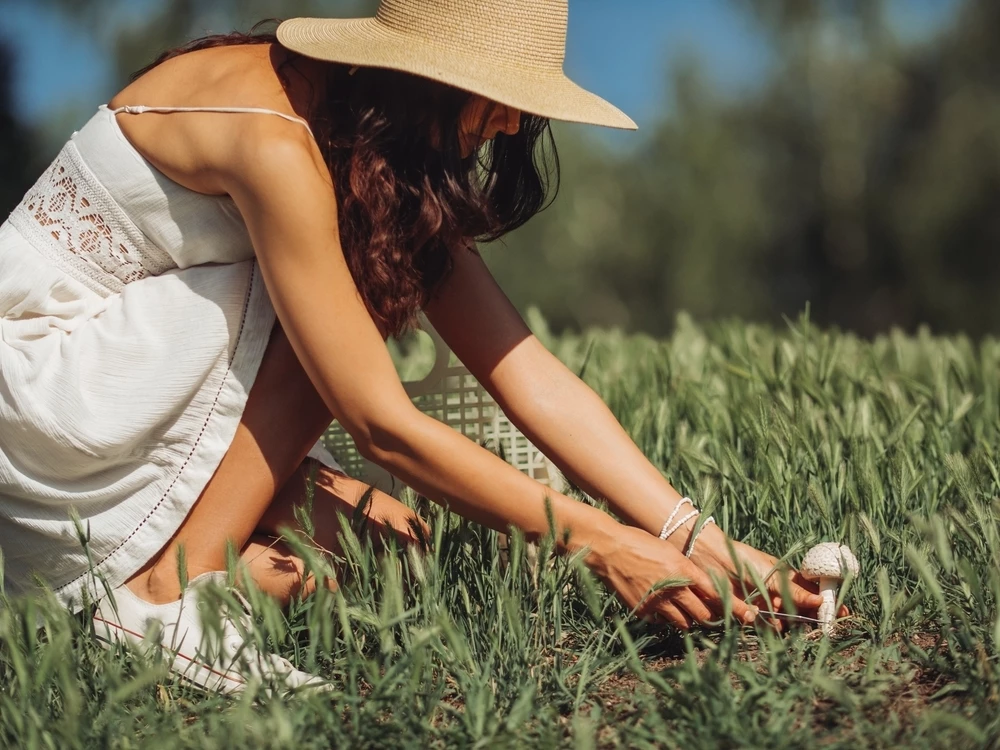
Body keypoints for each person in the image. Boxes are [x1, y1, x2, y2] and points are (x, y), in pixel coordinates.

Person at [0, 0, 834, 692]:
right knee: (348, 276)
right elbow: (381, 424)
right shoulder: (275, 142)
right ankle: (160, 593)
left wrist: (700, 540)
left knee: (389, 553)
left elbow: (528, 373)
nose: (512, 119)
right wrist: (604, 543)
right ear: (419, 75)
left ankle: (82, 595)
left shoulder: (369, 145)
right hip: (43, 392)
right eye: (494, 92)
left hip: (118, 405)